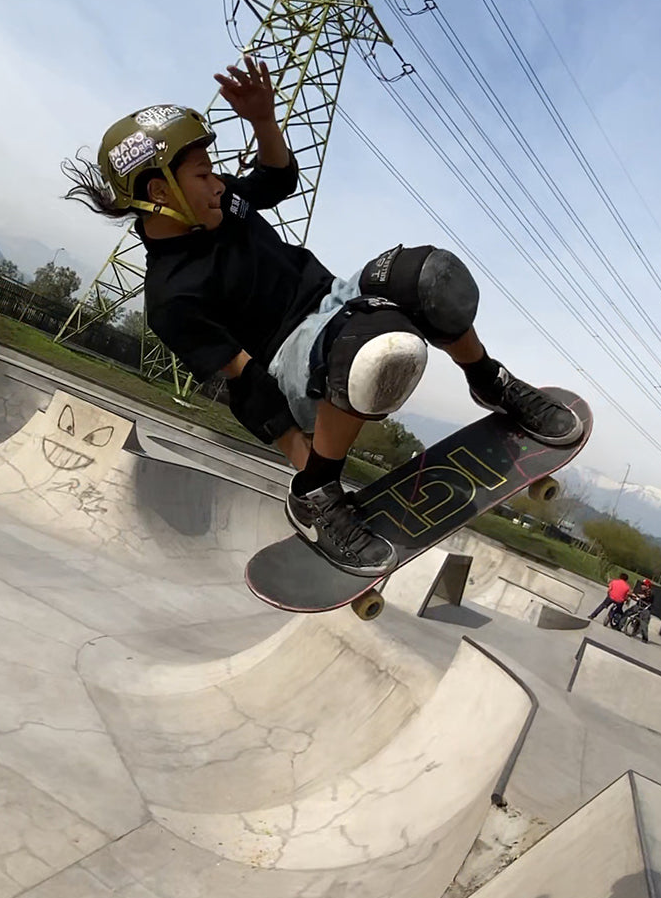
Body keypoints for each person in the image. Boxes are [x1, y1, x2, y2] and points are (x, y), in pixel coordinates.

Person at [63, 56, 583, 577]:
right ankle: (314, 492)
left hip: (336, 297)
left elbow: (277, 179)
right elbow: (248, 389)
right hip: (292, 362)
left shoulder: (221, 204)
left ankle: (489, 381)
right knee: (377, 348)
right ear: (160, 193)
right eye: (201, 174)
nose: (217, 182)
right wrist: (307, 461)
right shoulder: (173, 296)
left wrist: (264, 121)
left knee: (429, 276)